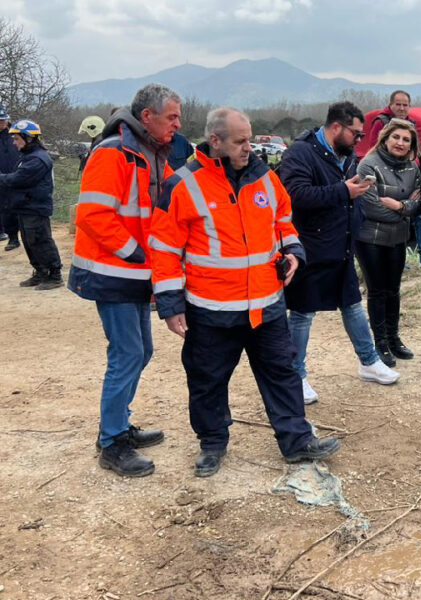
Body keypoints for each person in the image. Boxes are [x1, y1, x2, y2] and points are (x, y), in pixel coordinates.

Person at [149, 107, 341, 477]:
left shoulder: (266, 178)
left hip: (266, 306)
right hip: (211, 310)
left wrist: (293, 252)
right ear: (215, 141)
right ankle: (212, 443)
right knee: (207, 380)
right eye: (239, 141)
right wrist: (171, 304)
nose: (248, 148)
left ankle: (297, 441)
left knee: (283, 375)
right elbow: (164, 249)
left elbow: (283, 222)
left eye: (249, 139)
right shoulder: (182, 185)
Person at [68, 83, 181, 477]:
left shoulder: (151, 154)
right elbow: (93, 216)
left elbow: (166, 204)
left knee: (142, 351)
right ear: (147, 117)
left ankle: (119, 425)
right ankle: (111, 440)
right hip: (111, 272)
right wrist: (136, 252)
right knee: (128, 354)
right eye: (172, 117)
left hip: (135, 273)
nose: (178, 125)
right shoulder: (112, 153)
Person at [279, 101, 399, 404]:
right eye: (356, 134)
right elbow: (294, 195)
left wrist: (353, 197)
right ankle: (297, 375)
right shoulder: (300, 153)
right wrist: (344, 191)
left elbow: (344, 192)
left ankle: (369, 361)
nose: (359, 140)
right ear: (336, 127)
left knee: (352, 305)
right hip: (309, 247)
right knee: (303, 315)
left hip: (342, 243)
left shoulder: (344, 155)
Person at [355, 118, 421, 367]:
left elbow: (419, 203)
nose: (400, 143)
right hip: (370, 239)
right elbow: (371, 207)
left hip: (398, 239)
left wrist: (400, 206)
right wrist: (406, 208)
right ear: (385, 138)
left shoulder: (413, 168)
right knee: (378, 291)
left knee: (393, 291)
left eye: (406, 139)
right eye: (396, 137)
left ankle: (394, 339)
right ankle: (380, 343)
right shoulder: (368, 165)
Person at [369, 90, 421, 268]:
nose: (401, 108)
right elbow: (373, 150)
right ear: (390, 104)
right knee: (393, 216)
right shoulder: (381, 122)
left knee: (418, 212)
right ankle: (395, 257)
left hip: (408, 175)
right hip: (387, 177)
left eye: (405, 104)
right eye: (398, 104)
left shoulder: (411, 124)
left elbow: (415, 152)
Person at [0, 120, 62, 290]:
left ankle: (54, 275)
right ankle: (41, 272)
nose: (14, 143)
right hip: (25, 207)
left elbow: (17, 179)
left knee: (41, 240)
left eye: (17, 139)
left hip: (35, 207)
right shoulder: (27, 157)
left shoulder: (37, 160)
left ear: (28, 138)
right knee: (29, 242)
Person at [0, 106, 20, 251]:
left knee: (11, 208)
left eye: (3, 120)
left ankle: (13, 238)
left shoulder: (16, 135)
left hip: (14, 176)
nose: (1, 123)